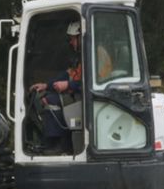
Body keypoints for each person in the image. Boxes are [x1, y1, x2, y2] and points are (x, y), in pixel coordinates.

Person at [29, 21, 112, 153]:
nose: (71, 42)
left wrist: (68, 85)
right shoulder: (84, 55)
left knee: (50, 101)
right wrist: (47, 85)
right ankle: (55, 143)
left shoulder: (96, 54)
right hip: (80, 94)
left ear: (81, 36)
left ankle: (60, 146)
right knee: (47, 96)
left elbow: (94, 84)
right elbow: (68, 74)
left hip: (93, 100)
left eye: (73, 39)